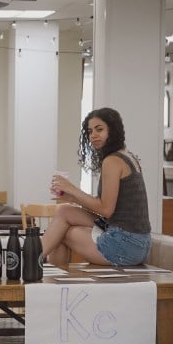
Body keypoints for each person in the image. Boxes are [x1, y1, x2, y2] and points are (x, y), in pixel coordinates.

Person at [41, 107, 152, 267]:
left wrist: (72, 188)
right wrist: (72, 197)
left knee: (61, 233)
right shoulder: (127, 156)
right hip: (140, 242)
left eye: (99, 129)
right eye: (90, 131)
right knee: (65, 211)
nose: (93, 135)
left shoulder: (112, 161)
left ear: (113, 130)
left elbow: (106, 210)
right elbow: (108, 206)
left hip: (127, 244)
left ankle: (32, 264)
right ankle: (35, 261)